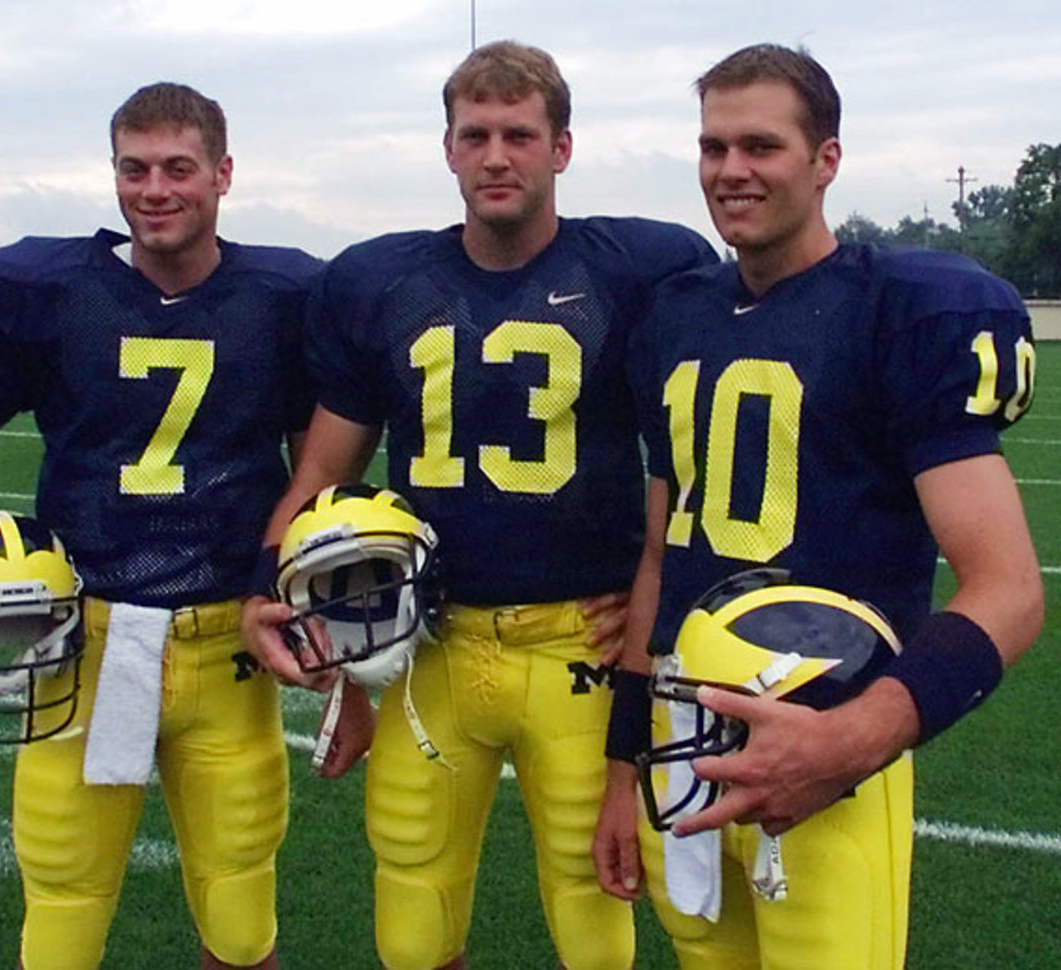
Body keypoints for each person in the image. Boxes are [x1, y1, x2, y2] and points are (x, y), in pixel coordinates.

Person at [243, 40, 716, 970]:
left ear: (561, 148)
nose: (497, 155)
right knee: (412, 915)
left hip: (577, 638)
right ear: (449, 150)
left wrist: (663, 595)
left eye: (519, 134)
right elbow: (322, 475)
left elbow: (692, 462)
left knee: (592, 916)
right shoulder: (382, 283)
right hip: (433, 641)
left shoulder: (643, 268)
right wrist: (270, 582)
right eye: (476, 135)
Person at [592, 43, 1043, 970]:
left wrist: (850, 740)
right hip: (685, 739)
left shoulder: (901, 309)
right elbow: (659, 550)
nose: (731, 171)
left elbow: (1009, 590)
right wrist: (621, 761)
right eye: (714, 147)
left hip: (830, 731)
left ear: (825, 159)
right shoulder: (676, 318)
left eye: (760, 146)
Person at [0, 82, 326, 970]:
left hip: (225, 639)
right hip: (84, 638)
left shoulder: (283, 296)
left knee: (240, 925)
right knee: (63, 922)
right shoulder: (53, 292)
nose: (155, 189)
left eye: (178, 168)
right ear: (113, 173)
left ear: (223, 174)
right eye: (134, 168)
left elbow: (317, 476)